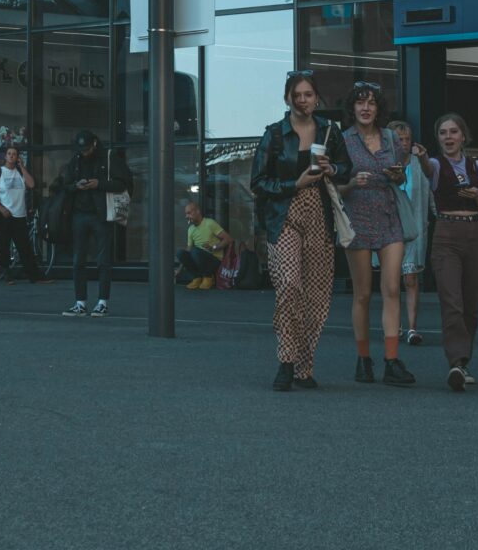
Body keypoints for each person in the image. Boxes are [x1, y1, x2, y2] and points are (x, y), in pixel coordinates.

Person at [250, 70, 353, 391]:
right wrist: (293, 184)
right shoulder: (275, 135)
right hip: (284, 215)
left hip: (319, 216)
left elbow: (347, 167)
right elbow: (258, 182)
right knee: (289, 286)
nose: (303, 100)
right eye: (297, 95)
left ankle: (304, 366)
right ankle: (285, 361)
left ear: (316, 98)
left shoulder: (329, 132)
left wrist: (332, 168)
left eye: (308, 94)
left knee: (318, 295)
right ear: (287, 98)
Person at [343, 84, 416, 387]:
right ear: (353, 108)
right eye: (360, 103)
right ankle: (363, 359)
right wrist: (350, 183)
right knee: (362, 293)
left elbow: (401, 174)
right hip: (357, 216)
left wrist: (398, 176)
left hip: (388, 215)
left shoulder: (390, 138)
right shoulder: (343, 140)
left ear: (378, 108)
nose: (366, 108)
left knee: (391, 288)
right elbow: (333, 184)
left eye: (372, 103)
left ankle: (391, 359)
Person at [421, 112, 478, 393]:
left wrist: (477, 196)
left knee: (471, 304)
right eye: (442, 133)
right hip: (447, 233)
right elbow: (428, 169)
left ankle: (464, 362)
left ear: (463, 136)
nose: (448, 137)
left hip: (476, 233)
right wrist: (421, 157)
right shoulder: (437, 165)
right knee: (452, 301)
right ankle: (455, 362)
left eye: (453, 132)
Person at [56, 130, 132, 320]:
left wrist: (99, 184)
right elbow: (64, 185)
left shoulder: (108, 157)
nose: (85, 153)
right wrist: (76, 186)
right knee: (77, 261)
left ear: (95, 144)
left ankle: (102, 303)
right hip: (79, 215)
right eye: (82, 150)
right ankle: (80, 303)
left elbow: (123, 183)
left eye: (87, 149)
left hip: (102, 215)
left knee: (103, 261)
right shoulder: (76, 160)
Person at [389, 119, 433, 345]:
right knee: (392, 281)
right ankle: (394, 325)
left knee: (411, 278)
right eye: (399, 139)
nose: (404, 143)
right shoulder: (385, 162)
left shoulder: (418, 163)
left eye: (407, 139)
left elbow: (430, 181)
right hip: (391, 228)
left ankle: (412, 328)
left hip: (413, 226)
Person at [0, 143, 43, 284]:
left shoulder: (20, 172)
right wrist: (0, 208)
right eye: (9, 154)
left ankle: (34, 276)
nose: (11, 156)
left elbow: (32, 184)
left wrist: (22, 167)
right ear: (5, 156)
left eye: (14, 154)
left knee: (24, 246)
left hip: (19, 215)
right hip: (3, 214)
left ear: (18, 157)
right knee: (3, 244)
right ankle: (6, 273)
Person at [175, 199, 229, 290]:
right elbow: (188, 250)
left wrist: (214, 247)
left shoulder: (210, 223)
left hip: (214, 260)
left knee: (195, 251)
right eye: (186, 214)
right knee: (180, 252)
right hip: (200, 258)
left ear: (197, 211)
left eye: (189, 213)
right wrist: (179, 270)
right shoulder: (191, 229)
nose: (186, 216)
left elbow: (228, 239)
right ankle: (197, 278)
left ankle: (208, 277)